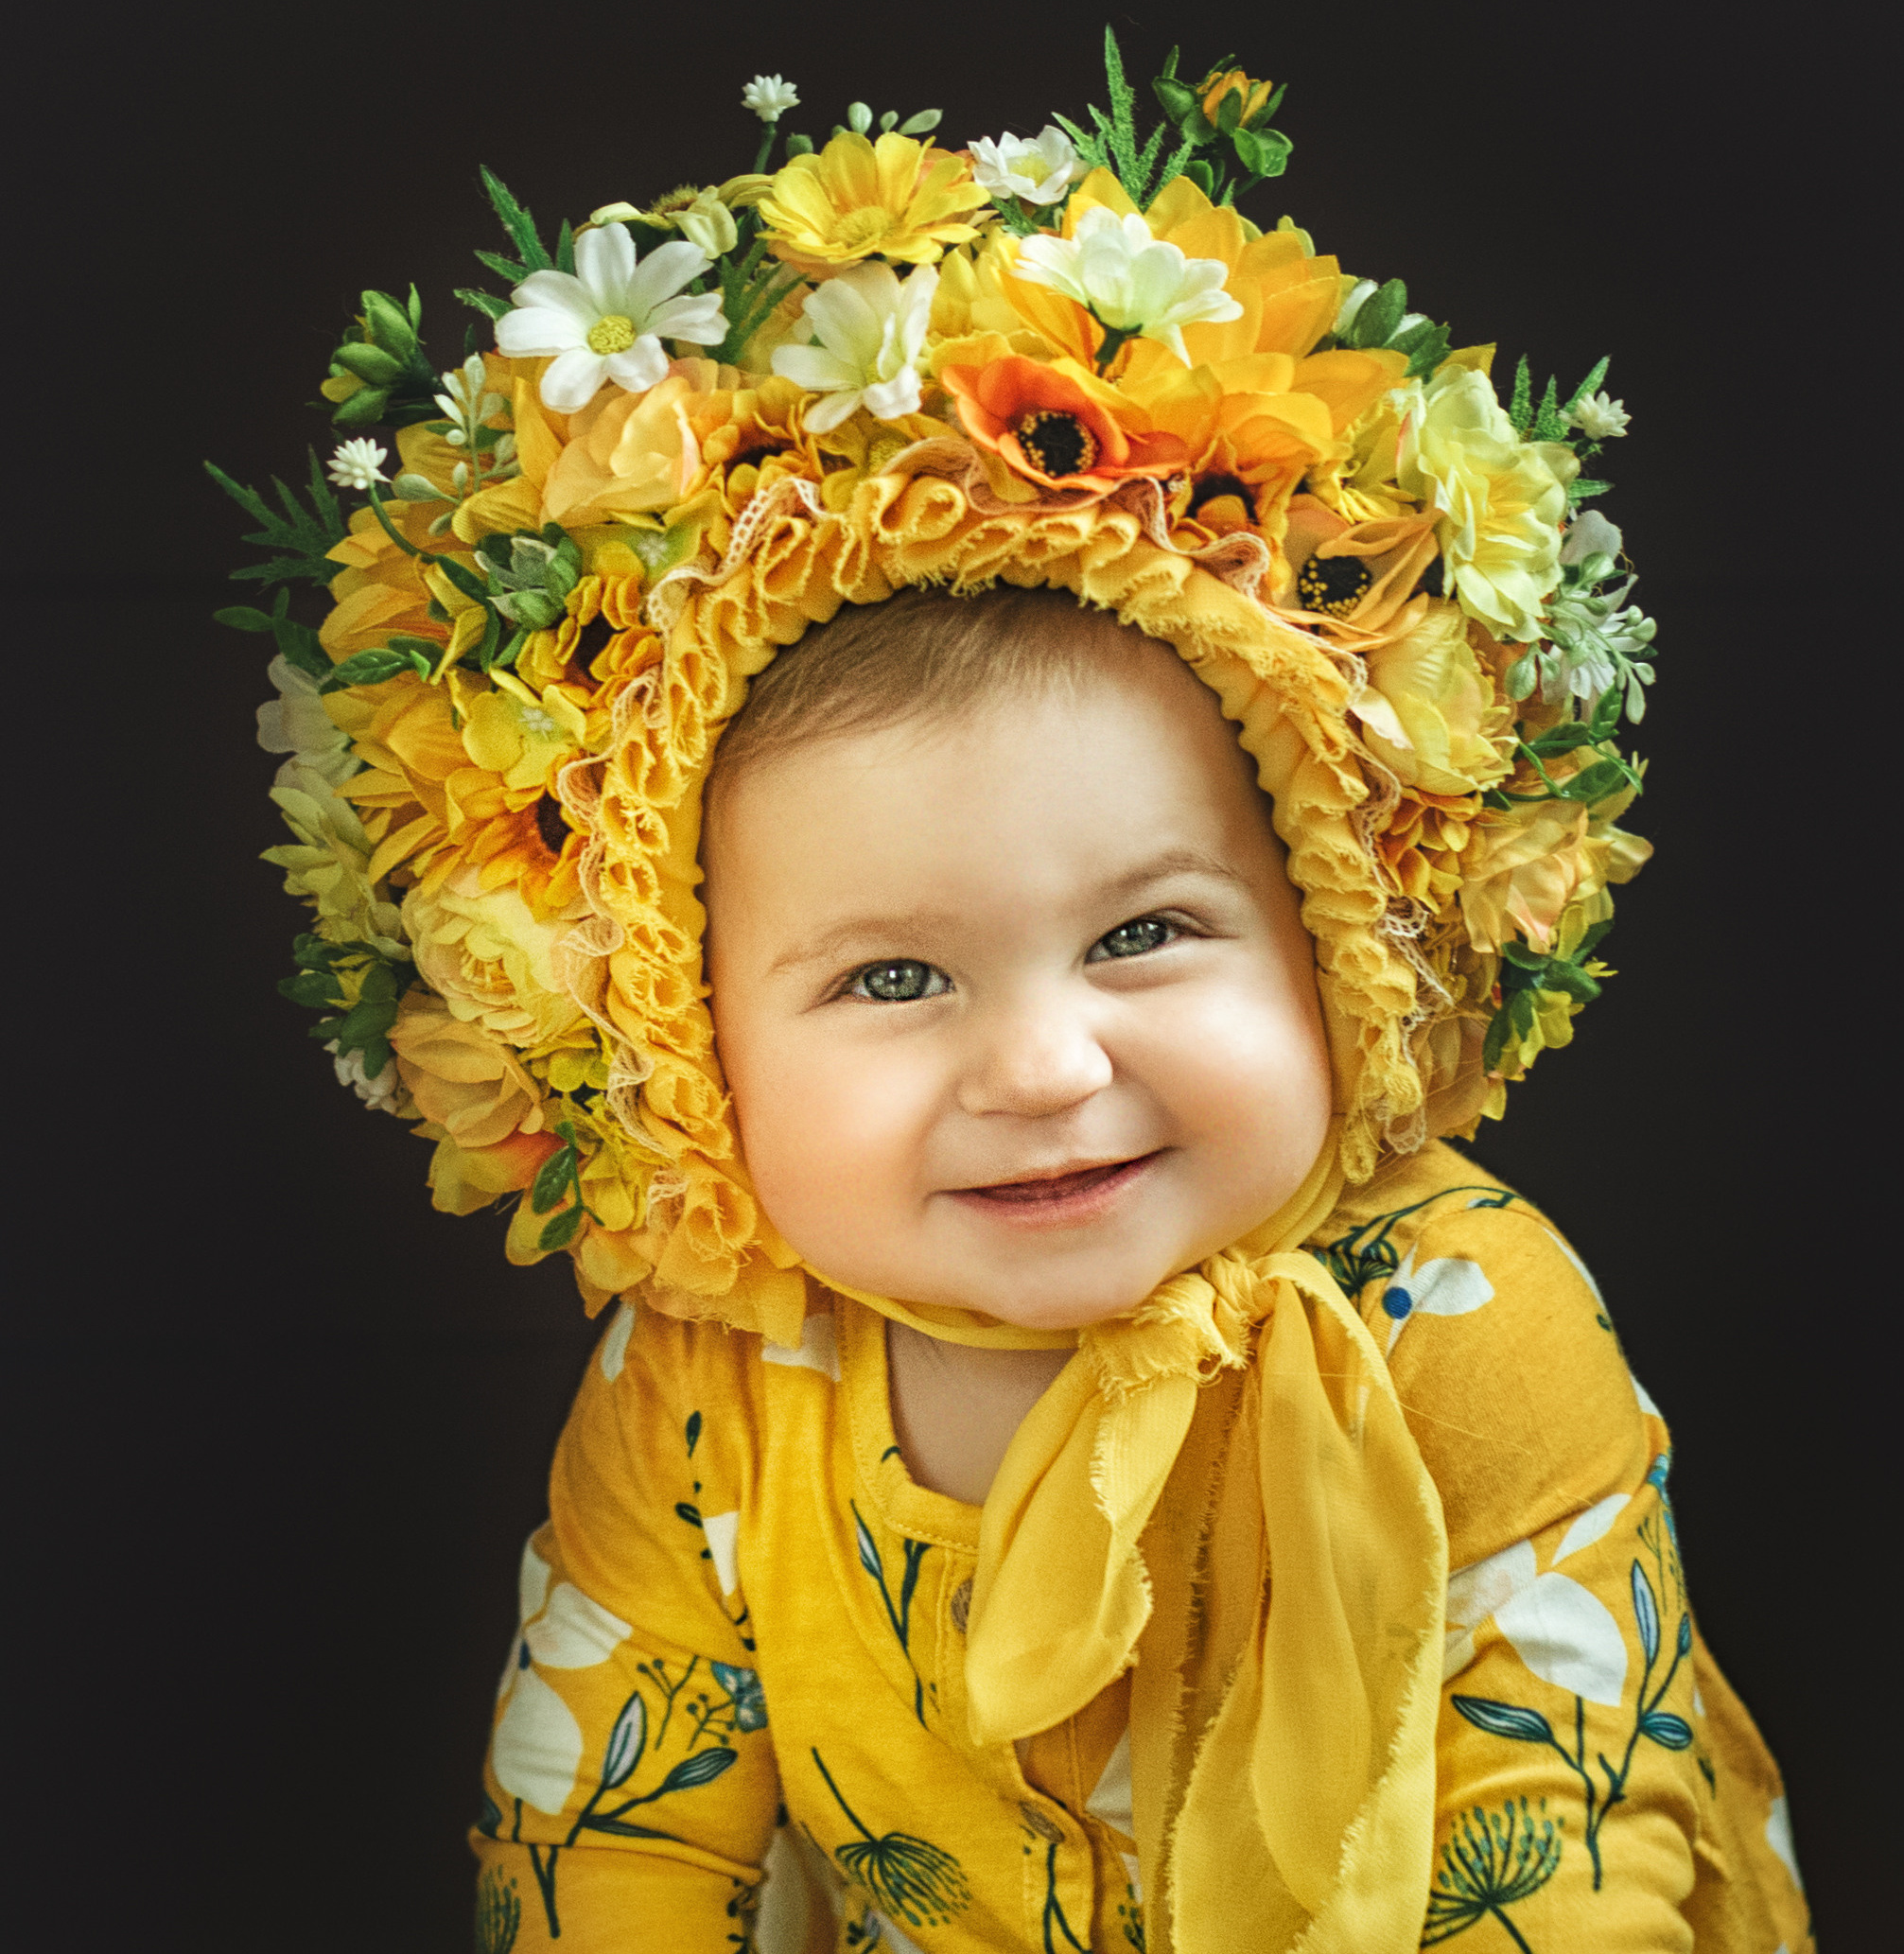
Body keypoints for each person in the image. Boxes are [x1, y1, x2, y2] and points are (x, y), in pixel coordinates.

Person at [218, 40, 1814, 1953]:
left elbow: (1557, 1864)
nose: (1049, 1066)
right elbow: (595, 1857)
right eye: (893, 975)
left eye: (1146, 932)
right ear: (670, 1037)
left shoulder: (1463, 1324)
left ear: (1340, 932)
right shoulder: (709, 1391)